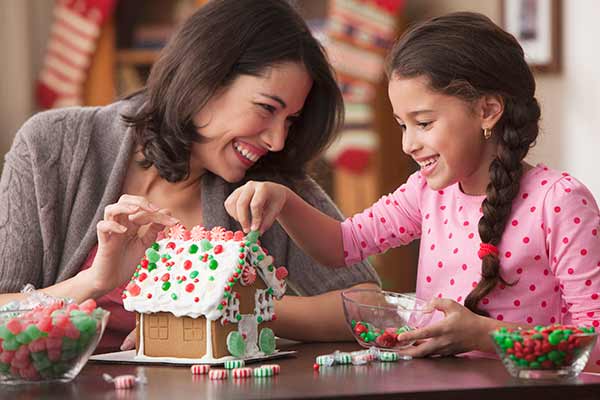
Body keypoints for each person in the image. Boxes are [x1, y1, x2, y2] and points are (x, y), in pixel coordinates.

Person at [225, 12, 600, 371]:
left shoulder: (559, 201)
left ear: (487, 111)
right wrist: (285, 200)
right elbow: (342, 245)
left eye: (423, 123)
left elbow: (593, 342)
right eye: (402, 125)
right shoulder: (426, 192)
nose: (408, 144)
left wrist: (483, 335)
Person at [0, 0, 380, 353]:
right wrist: (92, 282)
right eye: (266, 108)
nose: (278, 140)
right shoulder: (51, 146)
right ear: (205, 79)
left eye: (291, 119)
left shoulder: (269, 186)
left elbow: (370, 307)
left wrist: (232, 307)